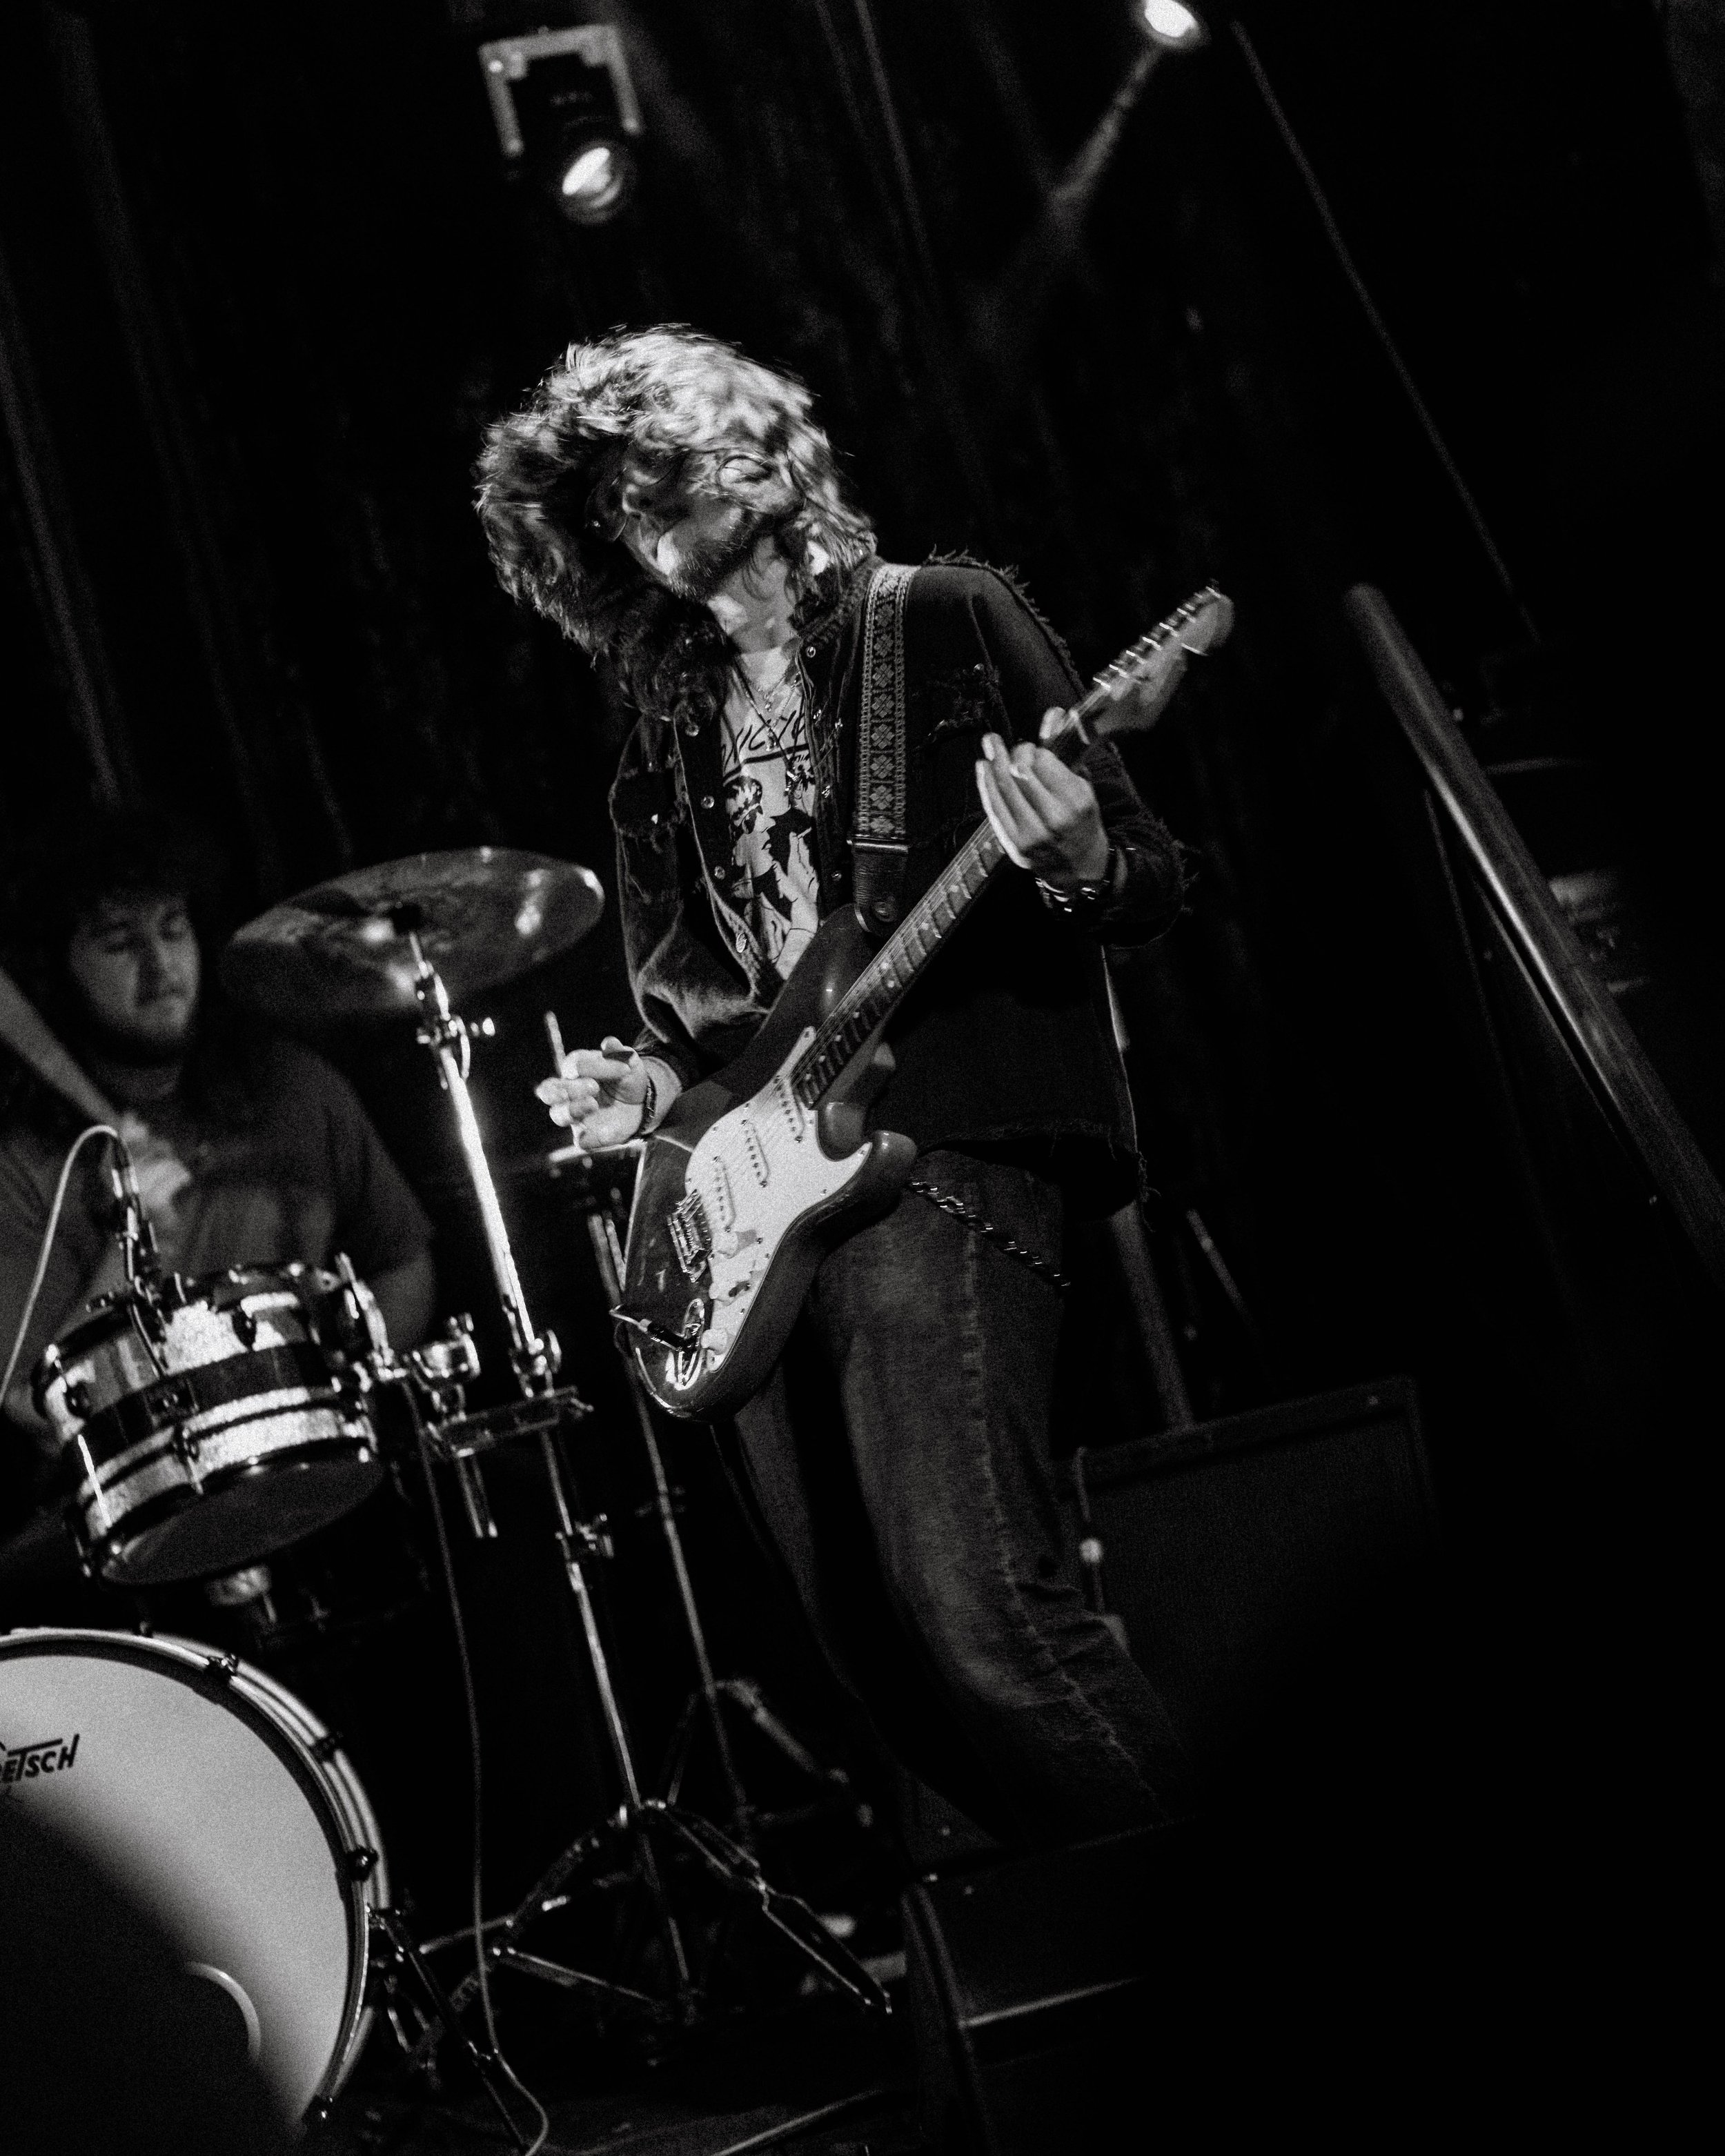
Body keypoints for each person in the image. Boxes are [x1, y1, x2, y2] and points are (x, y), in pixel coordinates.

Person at [476, 326, 1194, 1846]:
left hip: (943, 1140)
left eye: (655, 471)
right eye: (604, 500)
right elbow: (712, 1015)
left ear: (754, 460)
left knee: (982, 1603)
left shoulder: (938, 619)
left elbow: (1142, 874)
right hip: (763, 1205)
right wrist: (644, 1087)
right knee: (879, 1659)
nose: (637, 510)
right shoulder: (662, 740)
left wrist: (1072, 857)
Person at [0, 814, 436, 1464]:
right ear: (59, 968)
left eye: (173, 929)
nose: (161, 966)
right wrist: (134, 1244)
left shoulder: (295, 1090)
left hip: (327, 1463)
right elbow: (27, 1403)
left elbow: (402, 1263)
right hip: (156, 1500)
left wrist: (342, 1367)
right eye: (120, 942)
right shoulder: (29, 1164)